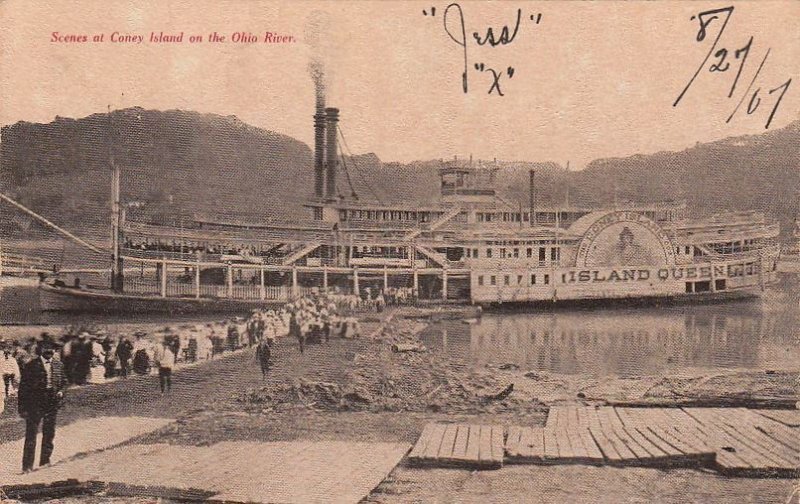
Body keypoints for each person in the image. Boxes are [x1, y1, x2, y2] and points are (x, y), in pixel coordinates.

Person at [18, 339, 68, 473]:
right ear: (40, 349)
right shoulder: (31, 366)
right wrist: (22, 408)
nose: (49, 351)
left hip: (52, 403)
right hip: (35, 404)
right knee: (31, 435)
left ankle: (45, 461)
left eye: (52, 349)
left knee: (49, 433)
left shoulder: (58, 365)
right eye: (46, 348)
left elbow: (64, 382)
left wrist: (61, 391)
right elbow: (23, 388)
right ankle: (27, 466)